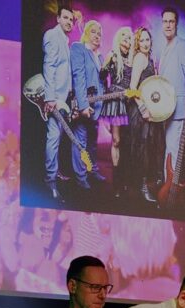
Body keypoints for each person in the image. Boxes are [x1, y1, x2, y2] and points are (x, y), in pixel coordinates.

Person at [158, 7, 185, 193]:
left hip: (179, 107)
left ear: (176, 24)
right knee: (168, 149)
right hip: (164, 108)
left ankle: (170, 195)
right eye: (165, 21)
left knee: (173, 151)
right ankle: (167, 189)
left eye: (171, 21)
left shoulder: (182, 45)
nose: (168, 25)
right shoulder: (164, 49)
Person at [128, 27, 165, 203]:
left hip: (150, 111)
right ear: (137, 43)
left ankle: (147, 183)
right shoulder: (140, 58)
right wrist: (143, 108)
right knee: (142, 148)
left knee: (150, 147)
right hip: (140, 111)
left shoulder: (150, 58)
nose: (145, 43)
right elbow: (132, 88)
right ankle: (142, 187)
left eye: (147, 40)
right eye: (141, 40)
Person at [42, 5, 75, 202]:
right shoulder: (52, 36)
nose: (69, 22)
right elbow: (49, 66)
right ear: (58, 19)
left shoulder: (64, 39)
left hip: (63, 98)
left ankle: (55, 171)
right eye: (65, 18)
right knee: (53, 137)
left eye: (71, 19)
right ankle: (50, 180)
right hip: (54, 98)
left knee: (58, 136)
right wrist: (50, 97)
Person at [70, 20, 106, 190]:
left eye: (99, 33)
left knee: (92, 143)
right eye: (93, 32)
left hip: (97, 107)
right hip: (84, 106)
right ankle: (81, 177)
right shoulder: (78, 48)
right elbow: (78, 77)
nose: (97, 35)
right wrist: (83, 105)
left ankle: (92, 171)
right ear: (86, 32)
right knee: (80, 142)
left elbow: (101, 83)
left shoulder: (100, 56)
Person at [100, 26, 134, 197]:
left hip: (130, 102)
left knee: (127, 142)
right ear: (118, 38)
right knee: (116, 140)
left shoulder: (133, 58)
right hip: (115, 100)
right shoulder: (113, 55)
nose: (127, 39)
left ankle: (126, 179)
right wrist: (106, 65)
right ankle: (117, 181)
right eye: (124, 36)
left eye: (129, 37)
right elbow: (101, 77)